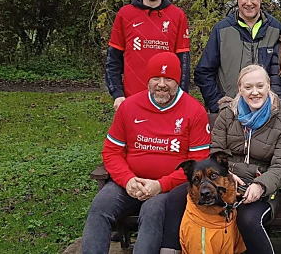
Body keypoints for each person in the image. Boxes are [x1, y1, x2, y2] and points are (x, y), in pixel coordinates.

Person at [161, 64, 281, 254]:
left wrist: (260, 185)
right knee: (177, 197)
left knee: (247, 218)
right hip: (224, 181)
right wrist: (228, 175)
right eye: (248, 87)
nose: (255, 92)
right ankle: (170, 250)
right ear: (240, 89)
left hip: (261, 188)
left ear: (268, 86)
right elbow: (216, 150)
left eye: (260, 86)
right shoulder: (227, 115)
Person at [82, 52, 210, 254]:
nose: (161, 84)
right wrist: (127, 179)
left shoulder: (194, 111)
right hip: (128, 183)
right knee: (100, 208)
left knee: (152, 212)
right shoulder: (130, 106)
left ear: (177, 81)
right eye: (156, 78)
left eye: (168, 79)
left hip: (167, 187)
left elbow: (198, 162)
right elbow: (111, 151)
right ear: (147, 80)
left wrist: (161, 184)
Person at [105, 0, 191, 111]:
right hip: (131, 100)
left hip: (166, 100)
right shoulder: (125, 14)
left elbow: (183, 62)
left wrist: (181, 96)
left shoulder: (177, 16)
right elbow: (113, 59)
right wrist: (117, 94)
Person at [194, 0, 281, 113]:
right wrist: (217, 104)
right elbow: (203, 72)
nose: (249, 3)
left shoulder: (276, 28)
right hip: (231, 111)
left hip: (266, 111)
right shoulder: (222, 30)